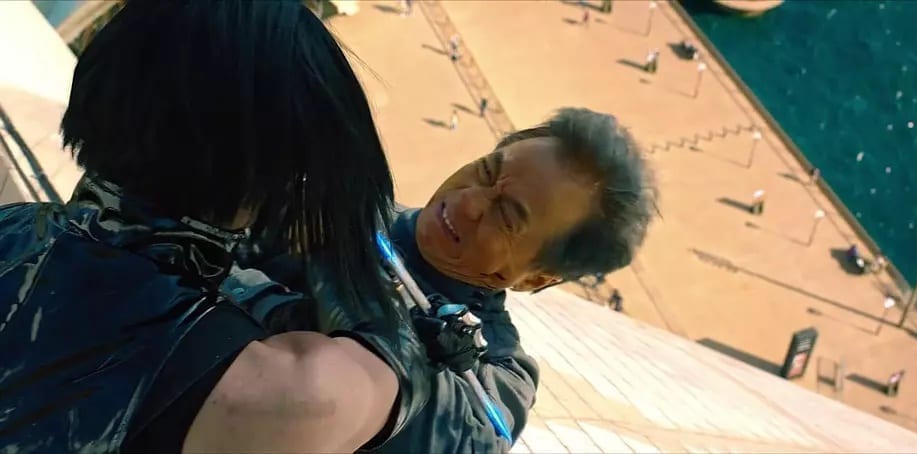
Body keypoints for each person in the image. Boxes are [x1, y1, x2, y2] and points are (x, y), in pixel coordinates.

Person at [0, 2, 431, 451]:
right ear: (278, 176)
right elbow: (389, 368)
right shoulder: (263, 384)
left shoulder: (14, 226)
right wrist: (341, 242)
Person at [232, 107, 658, 452]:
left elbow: (454, 437)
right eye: (486, 171)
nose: (468, 203)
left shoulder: (496, 378)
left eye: (507, 217)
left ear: (535, 278)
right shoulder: (340, 200)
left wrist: (329, 275)